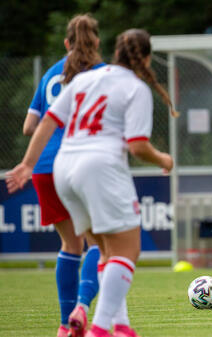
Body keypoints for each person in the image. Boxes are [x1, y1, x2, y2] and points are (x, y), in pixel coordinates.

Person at [6, 28, 177, 336]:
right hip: (100, 168)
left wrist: (27, 164)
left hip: (64, 169)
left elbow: (46, 121)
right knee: (127, 251)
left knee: (102, 249)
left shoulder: (84, 79)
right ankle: (99, 329)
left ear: (115, 52)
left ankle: (121, 325)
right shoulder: (135, 88)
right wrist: (164, 159)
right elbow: (137, 145)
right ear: (147, 58)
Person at [22, 14, 104, 337]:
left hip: (45, 166)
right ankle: (82, 308)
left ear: (66, 43)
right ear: (96, 41)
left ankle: (63, 324)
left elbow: (30, 126)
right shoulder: (101, 73)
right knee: (101, 243)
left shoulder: (51, 74)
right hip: (83, 163)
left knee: (70, 244)